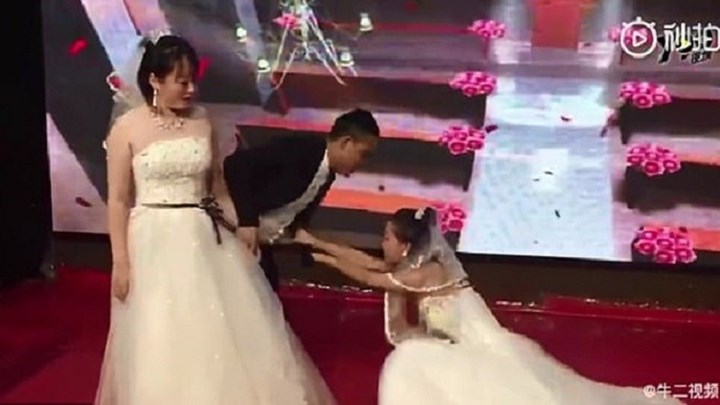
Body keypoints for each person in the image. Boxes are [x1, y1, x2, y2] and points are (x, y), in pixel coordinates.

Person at [96, 33, 334, 404]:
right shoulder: (127, 128)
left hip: (201, 236)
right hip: (151, 239)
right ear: (155, 80)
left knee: (217, 328)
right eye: (181, 81)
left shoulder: (202, 121)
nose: (191, 89)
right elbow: (118, 200)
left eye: (194, 80)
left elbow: (217, 189)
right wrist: (120, 261)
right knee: (159, 331)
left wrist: (243, 226)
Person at [297, 209, 681, 405]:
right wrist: (319, 248)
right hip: (465, 349)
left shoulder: (427, 272)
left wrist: (324, 257)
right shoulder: (413, 266)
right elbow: (370, 264)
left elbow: (372, 278)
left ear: (405, 245)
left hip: (485, 349)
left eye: (386, 238)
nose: (382, 244)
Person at [223, 108, 379, 291]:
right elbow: (236, 164)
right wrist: (247, 221)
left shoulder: (328, 175)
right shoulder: (301, 148)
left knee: (268, 293)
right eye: (363, 154)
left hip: (261, 245)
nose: (363, 162)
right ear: (346, 142)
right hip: (235, 232)